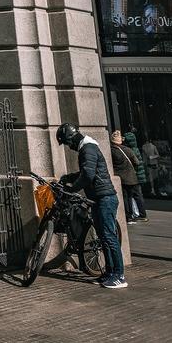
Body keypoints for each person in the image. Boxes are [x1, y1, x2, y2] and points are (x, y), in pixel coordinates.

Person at [56, 123, 127, 289]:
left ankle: (119, 275)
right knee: (103, 237)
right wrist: (69, 177)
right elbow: (88, 172)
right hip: (98, 198)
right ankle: (109, 273)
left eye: (67, 143)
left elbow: (88, 174)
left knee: (109, 237)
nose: (69, 147)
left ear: (71, 138)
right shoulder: (86, 148)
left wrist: (72, 188)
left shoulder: (88, 148)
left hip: (105, 198)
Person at [110, 131, 146, 222]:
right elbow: (136, 162)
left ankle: (129, 215)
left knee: (126, 197)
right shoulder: (128, 150)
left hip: (122, 177)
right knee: (137, 196)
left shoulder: (111, 151)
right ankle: (142, 214)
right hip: (132, 177)